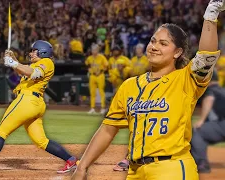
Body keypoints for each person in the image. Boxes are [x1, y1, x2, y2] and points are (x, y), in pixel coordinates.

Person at [72, 1, 224, 179]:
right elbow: (107, 130)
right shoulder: (129, 86)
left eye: (163, 43)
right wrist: (82, 166)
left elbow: (206, 56)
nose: (154, 46)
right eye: (152, 41)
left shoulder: (185, 79)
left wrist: (211, 14)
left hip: (171, 168)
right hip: (135, 171)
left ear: (177, 52)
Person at [0, 40, 78, 175]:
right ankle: (71, 160)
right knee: (41, 141)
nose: (31, 53)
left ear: (43, 51)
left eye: (34, 50)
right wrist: (13, 60)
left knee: (1, 132)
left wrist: (13, 63)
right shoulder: (37, 64)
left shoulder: (46, 62)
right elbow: (24, 71)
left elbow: (33, 73)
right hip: (36, 104)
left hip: (27, 101)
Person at [191, 71, 225, 173]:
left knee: (197, 131)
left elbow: (209, 99)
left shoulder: (209, 90)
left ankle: (202, 163)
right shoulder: (223, 90)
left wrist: (201, 120)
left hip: (221, 126)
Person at [85, 44, 109, 115]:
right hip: (92, 75)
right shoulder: (89, 58)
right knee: (92, 92)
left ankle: (103, 108)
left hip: (100, 75)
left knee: (101, 92)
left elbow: (107, 65)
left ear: (98, 50)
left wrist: (101, 70)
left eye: (95, 50)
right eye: (93, 50)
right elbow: (87, 64)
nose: (94, 51)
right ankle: (92, 108)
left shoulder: (101, 57)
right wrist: (89, 69)